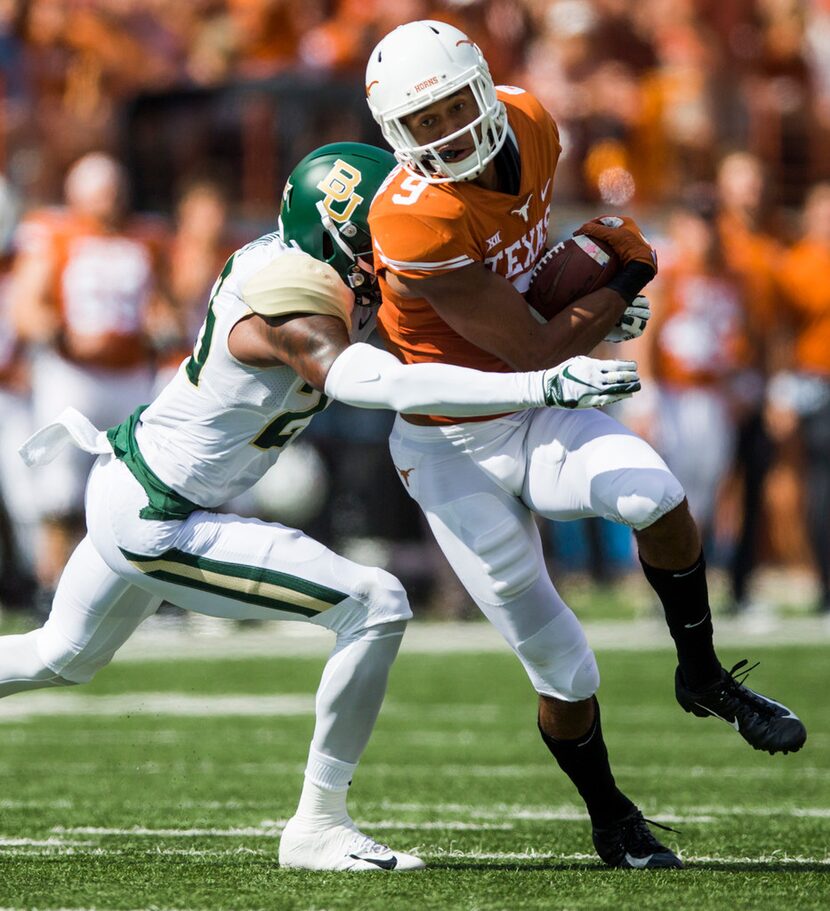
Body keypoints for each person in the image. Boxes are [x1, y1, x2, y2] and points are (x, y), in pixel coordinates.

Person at [0, 141, 640, 872]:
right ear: (343, 239)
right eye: (382, 230)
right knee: (375, 602)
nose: (401, 239)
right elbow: (385, 384)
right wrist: (541, 383)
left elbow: (442, 333)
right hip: (159, 513)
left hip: (136, 486)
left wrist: (576, 320)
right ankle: (317, 824)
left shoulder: (331, 272)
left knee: (60, 656)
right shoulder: (289, 295)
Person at [364, 20, 807, 869]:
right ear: (395, 134)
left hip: (533, 410)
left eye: (455, 104)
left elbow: (530, 288)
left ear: (484, 87)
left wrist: (587, 284)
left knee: (657, 496)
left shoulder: (532, 123)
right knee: (565, 669)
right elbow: (526, 346)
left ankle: (704, 671)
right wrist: (619, 279)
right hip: (451, 442)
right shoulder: (411, 216)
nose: (447, 130)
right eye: (422, 123)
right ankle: (612, 817)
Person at [9, 152, 171, 609]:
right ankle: (53, 582)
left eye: (116, 187)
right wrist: (60, 335)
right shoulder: (55, 232)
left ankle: (134, 587)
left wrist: (162, 325)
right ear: (75, 193)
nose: (112, 198)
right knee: (60, 489)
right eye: (102, 189)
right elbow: (27, 306)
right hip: (72, 374)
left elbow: (163, 302)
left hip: (131, 373)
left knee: (138, 484)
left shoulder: (146, 236)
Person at [774, 182, 830, 615]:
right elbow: (779, 335)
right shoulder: (796, 266)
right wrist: (783, 390)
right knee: (820, 486)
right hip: (817, 383)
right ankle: (824, 579)